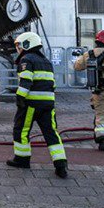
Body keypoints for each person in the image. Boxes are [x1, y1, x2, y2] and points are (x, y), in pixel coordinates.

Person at [6, 31, 69, 179]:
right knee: (51, 133)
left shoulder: (26, 60)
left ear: (27, 44)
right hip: (48, 104)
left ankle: (22, 160)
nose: (18, 49)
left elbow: (26, 81)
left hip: (31, 104)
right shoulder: (46, 62)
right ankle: (61, 165)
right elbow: (52, 84)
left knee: (21, 130)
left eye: (20, 46)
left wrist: (20, 98)